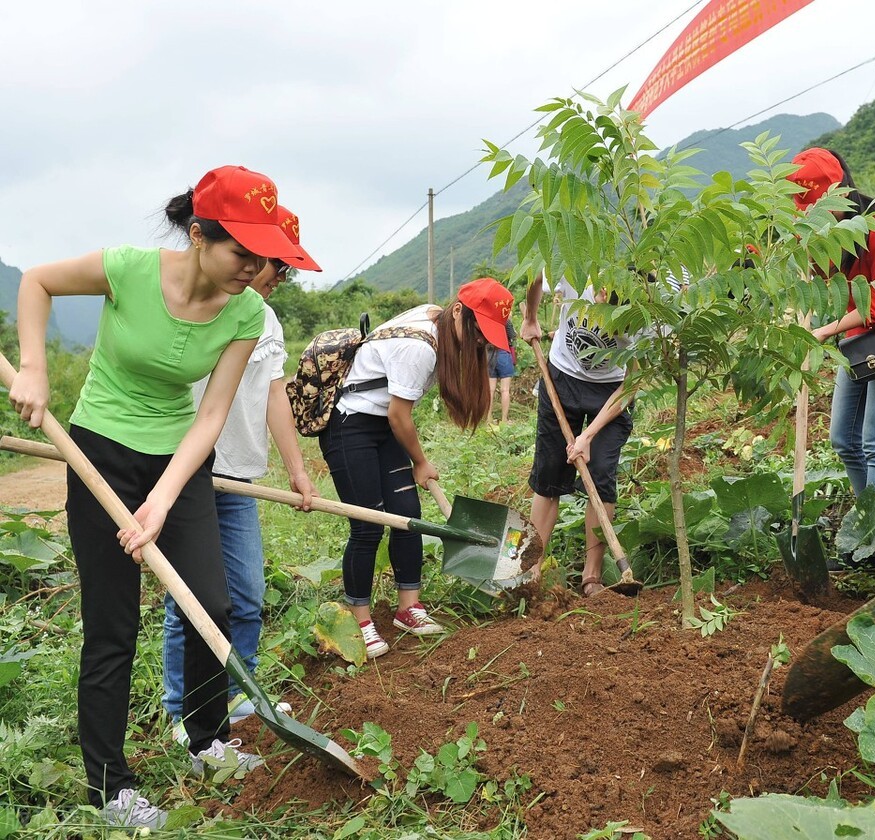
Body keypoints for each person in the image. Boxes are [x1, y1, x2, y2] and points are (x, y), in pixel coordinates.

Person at [8, 165, 309, 828]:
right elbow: (37, 282)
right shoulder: (130, 269)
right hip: (99, 451)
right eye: (241, 251)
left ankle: (205, 740)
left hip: (176, 456)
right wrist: (33, 367)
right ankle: (110, 786)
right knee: (113, 625)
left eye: (262, 256)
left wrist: (164, 499)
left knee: (213, 600)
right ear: (199, 235)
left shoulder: (247, 310)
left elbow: (210, 417)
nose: (252, 267)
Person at [162, 206, 321, 745]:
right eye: (276, 266)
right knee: (188, 599)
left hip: (239, 479)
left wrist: (298, 470)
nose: (276, 278)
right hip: (191, 473)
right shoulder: (206, 305)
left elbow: (275, 395)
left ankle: (235, 693)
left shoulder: (264, 317)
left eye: (281, 270)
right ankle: (180, 710)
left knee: (247, 596)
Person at [319, 277, 514, 658]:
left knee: (408, 514)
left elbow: (394, 416)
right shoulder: (420, 347)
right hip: (351, 426)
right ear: (458, 310)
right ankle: (359, 621)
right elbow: (399, 415)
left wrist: (417, 461)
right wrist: (421, 463)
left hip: (382, 426)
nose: (480, 343)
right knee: (368, 523)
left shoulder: (439, 321)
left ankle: (408, 608)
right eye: (479, 333)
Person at [791, 149, 875, 567]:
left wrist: (822, 332)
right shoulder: (830, 233)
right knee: (845, 440)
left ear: (837, 193)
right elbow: (825, 278)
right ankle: (869, 522)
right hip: (858, 343)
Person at [521, 274, 641, 598]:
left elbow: (631, 385)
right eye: (602, 297)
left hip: (610, 393)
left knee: (601, 475)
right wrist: (530, 318)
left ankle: (592, 577)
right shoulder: (576, 273)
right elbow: (536, 274)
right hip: (561, 377)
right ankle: (529, 572)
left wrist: (587, 435)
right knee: (548, 475)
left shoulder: (642, 318)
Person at [487, 314, 519, 425]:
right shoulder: (506, 321)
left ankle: (489, 418)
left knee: (490, 390)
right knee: (505, 390)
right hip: (503, 354)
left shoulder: (489, 320)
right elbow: (513, 336)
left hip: (490, 354)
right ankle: (504, 420)